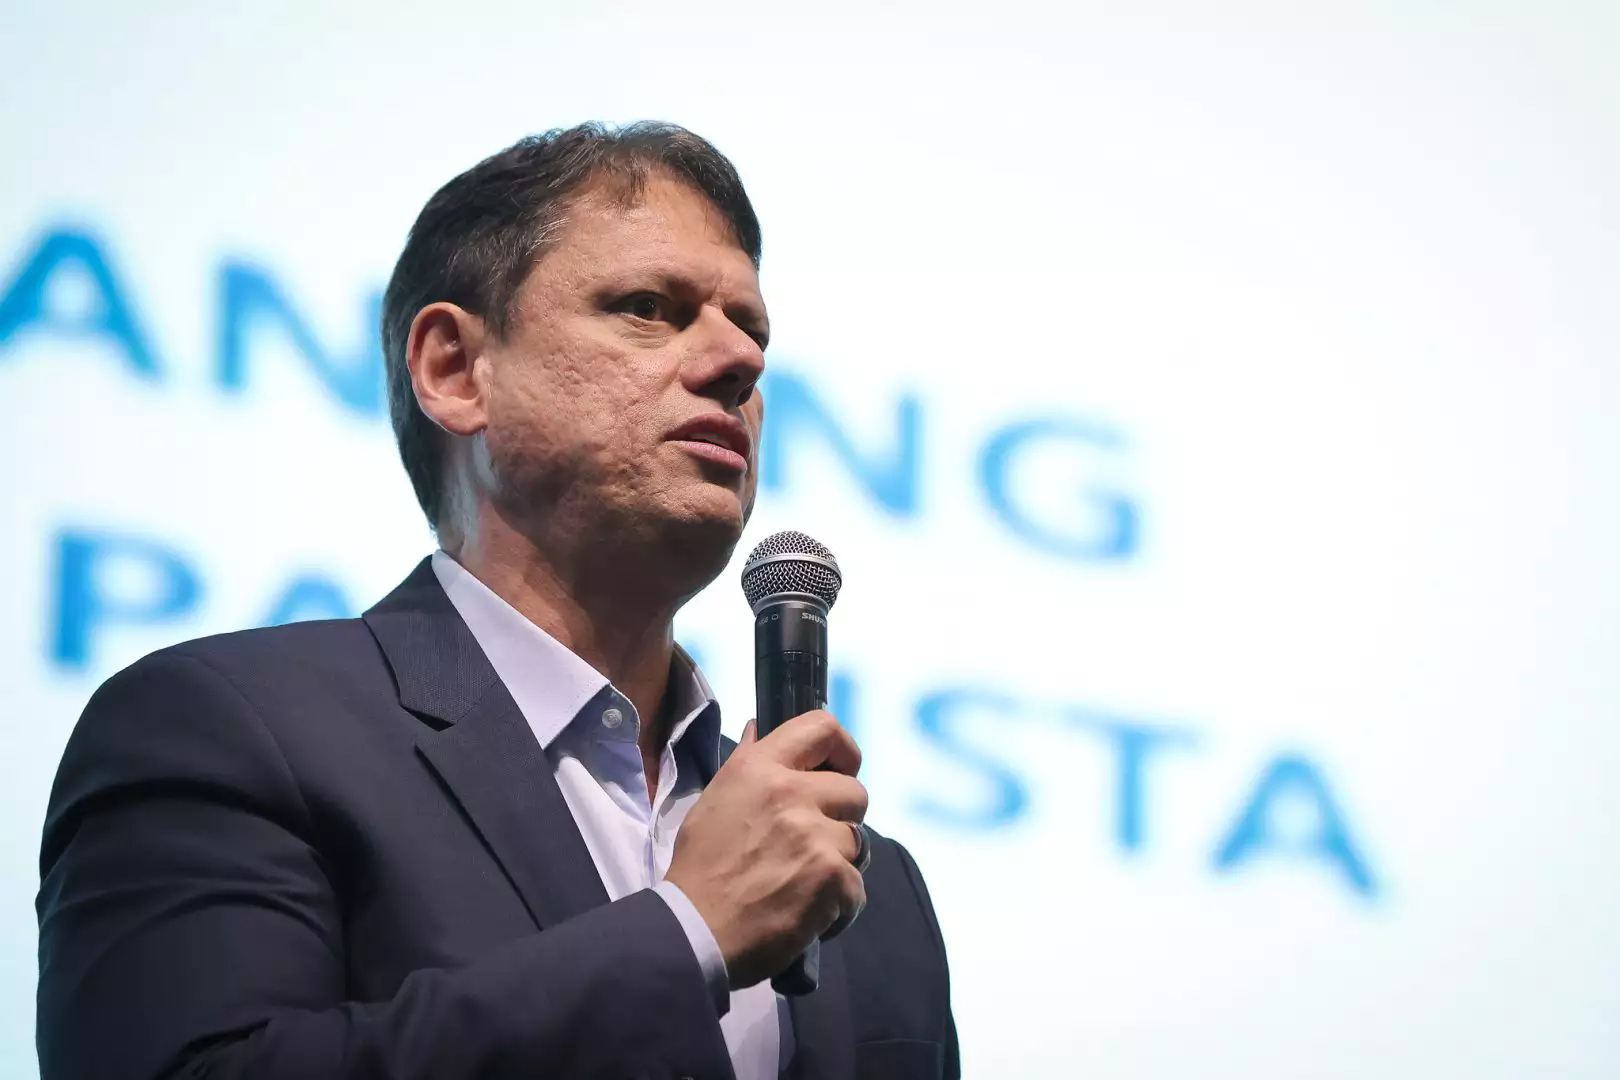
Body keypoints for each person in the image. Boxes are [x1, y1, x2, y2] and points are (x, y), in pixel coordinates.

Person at [35, 122, 958, 1080]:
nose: (739, 361)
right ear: (454, 370)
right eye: (649, 308)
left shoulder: (870, 884)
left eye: (751, 330)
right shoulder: (230, 731)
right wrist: (687, 933)